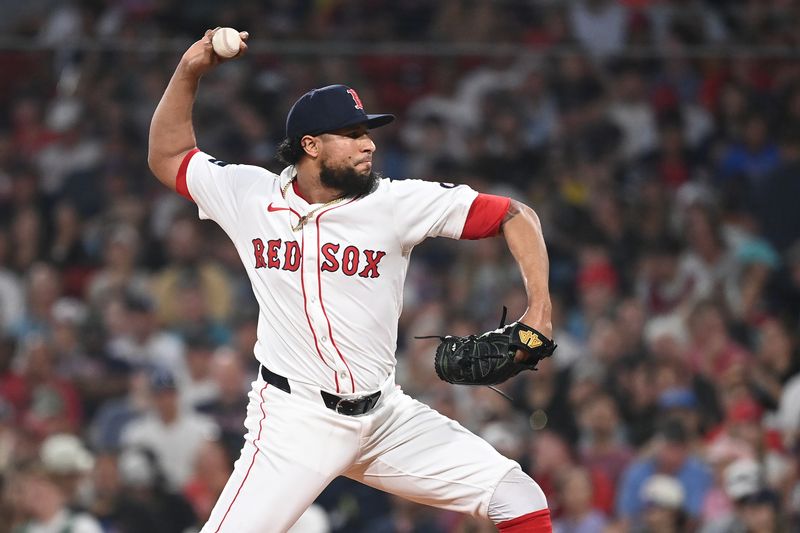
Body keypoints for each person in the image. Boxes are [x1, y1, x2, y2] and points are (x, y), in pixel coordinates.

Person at [148, 28, 554, 532]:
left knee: (516, 495)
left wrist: (539, 311)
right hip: (293, 424)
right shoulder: (250, 196)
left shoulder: (395, 203)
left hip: (384, 417)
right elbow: (168, 157)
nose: (369, 144)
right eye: (354, 134)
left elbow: (515, 215)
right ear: (311, 145)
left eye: (368, 132)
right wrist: (189, 71)